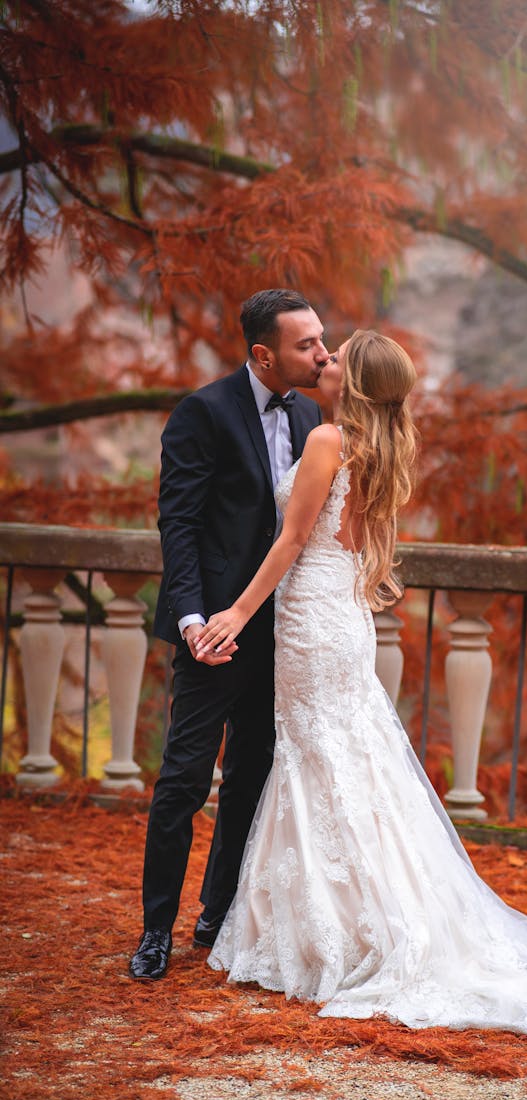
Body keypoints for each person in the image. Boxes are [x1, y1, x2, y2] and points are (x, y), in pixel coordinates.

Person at [198, 329, 527, 1035]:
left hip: (310, 615)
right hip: (342, 617)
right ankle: (348, 921)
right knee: (342, 760)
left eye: (334, 359)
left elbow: (293, 540)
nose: (323, 361)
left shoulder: (328, 442)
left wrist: (238, 611)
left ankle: (334, 935)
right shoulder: (381, 448)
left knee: (319, 758)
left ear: (354, 384)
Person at [129, 289, 328, 982]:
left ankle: (215, 914)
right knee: (183, 778)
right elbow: (177, 523)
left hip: (284, 634)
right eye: (306, 345)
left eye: (322, 340)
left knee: (252, 775)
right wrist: (192, 621)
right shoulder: (203, 412)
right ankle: (155, 929)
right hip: (212, 632)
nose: (321, 354)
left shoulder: (313, 417)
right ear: (262, 353)